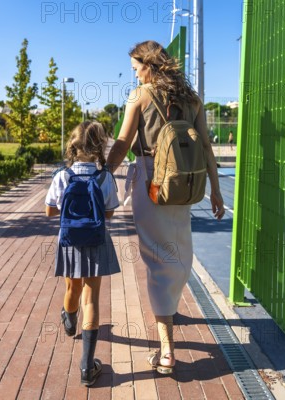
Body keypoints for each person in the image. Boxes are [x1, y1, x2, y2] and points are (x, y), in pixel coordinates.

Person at [106, 40, 225, 374]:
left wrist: (101, 176)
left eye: (136, 69)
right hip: (185, 186)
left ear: (149, 65)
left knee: (157, 261)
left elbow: (122, 144)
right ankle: (170, 310)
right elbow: (206, 148)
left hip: (151, 183)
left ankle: (167, 351)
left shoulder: (140, 96)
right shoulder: (192, 100)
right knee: (178, 255)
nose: (135, 77)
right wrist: (215, 190)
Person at [45, 121, 120, 386]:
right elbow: (110, 213)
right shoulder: (105, 177)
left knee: (72, 289)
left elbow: (50, 211)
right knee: (92, 299)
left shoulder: (62, 176)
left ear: (73, 147)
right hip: (96, 241)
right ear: (99, 147)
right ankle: (87, 368)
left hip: (69, 241)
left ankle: (69, 319)